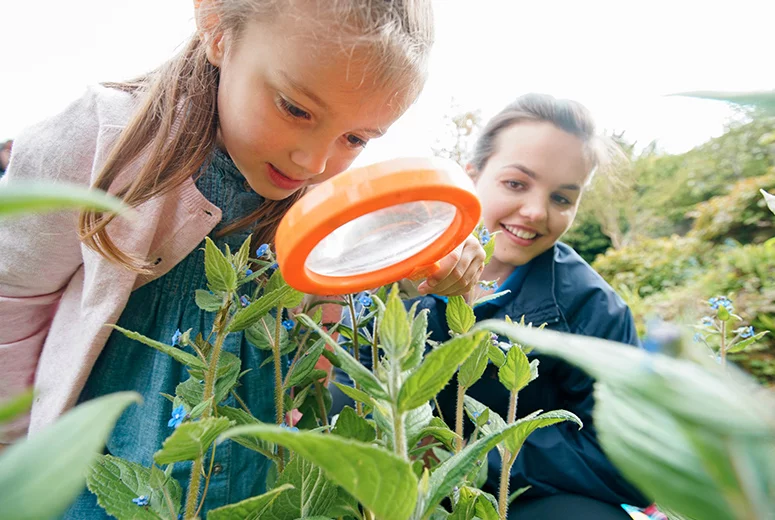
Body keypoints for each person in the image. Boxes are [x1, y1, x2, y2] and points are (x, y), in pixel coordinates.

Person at [0, 1, 486, 516]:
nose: (314, 161)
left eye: (356, 138)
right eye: (296, 108)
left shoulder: (321, 194)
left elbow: (359, 273)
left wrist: (431, 257)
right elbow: (13, 300)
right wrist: (15, 458)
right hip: (99, 473)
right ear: (216, 28)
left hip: (253, 478)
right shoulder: (105, 137)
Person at [332, 93, 651, 519]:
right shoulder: (400, 265)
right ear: (472, 177)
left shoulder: (592, 306)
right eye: (516, 184)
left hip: (517, 499)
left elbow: (628, 462)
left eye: (562, 198)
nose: (536, 211)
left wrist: (469, 454)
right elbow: (345, 392)